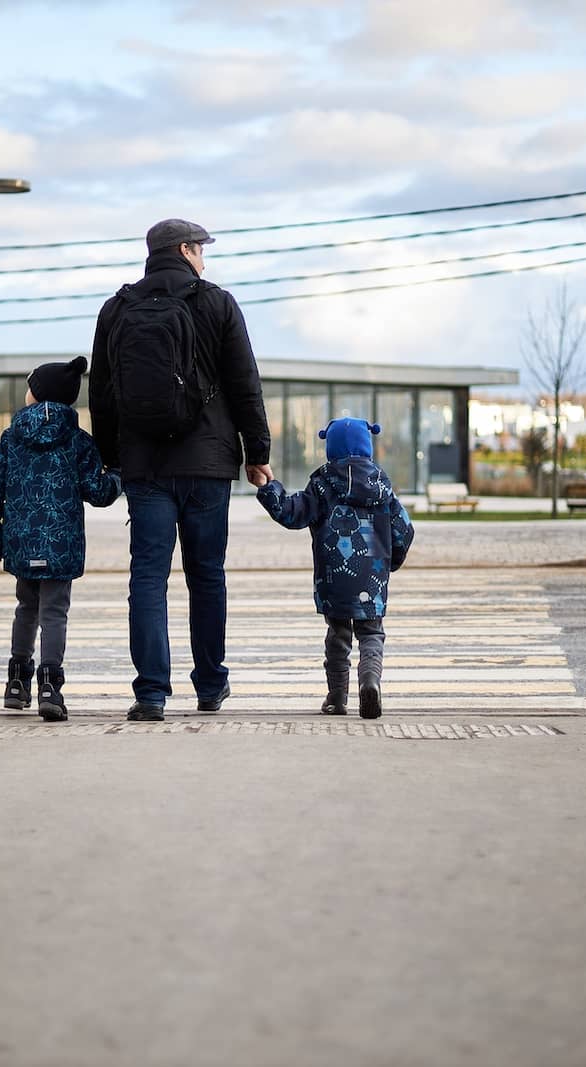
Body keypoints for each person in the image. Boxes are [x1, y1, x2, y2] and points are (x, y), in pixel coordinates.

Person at [88, 218, 272, 722]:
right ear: (186, 250)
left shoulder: (117, 308)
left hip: (144, 467)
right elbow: (244, 384)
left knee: (147, 578)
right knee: (206, 575)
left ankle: (151, 693)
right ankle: (210, 685)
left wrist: (111, 459)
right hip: (209, 465)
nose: (205, 259)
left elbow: (101, 394)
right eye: (202, 250)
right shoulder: (217, 303)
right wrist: (257, 453)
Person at [0, 357, 121, 722]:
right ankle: (49, 688)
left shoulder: (11, 437)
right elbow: (98, 491)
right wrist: (118, 475)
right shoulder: (77, 441)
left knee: (26, 608)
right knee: (54, 613)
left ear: (38, 394)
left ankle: (15, 682)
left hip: (22, 543)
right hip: (61, 544)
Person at [256, 417, 414, 719]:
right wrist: (390, 563)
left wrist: (269, 487)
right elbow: (404, 530)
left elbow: (291, 513)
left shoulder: (321, 485)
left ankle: (337, 697)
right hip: (372, 579)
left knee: (338, 636)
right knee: (371, 634)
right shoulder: (382, 487)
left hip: (334, 577)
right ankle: (370, 682)